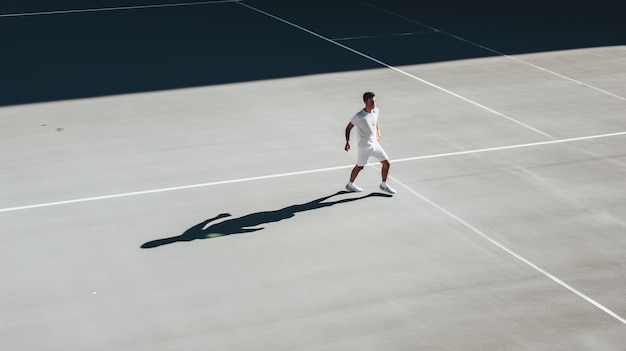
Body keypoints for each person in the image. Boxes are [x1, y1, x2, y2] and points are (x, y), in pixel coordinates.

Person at [344, 92, 396, 194]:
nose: (374, 104)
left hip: (375, 144)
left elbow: (375, 121)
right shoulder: (359, 116)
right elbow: (348, 128)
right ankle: (350, 185)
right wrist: (347, 141)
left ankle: (383, 185)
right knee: (359, 167)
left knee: (387, 164)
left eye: (374, 101)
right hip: (364, 147)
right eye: (372, 101)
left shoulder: (376, 111)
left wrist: (378, 132)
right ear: (365, 102)